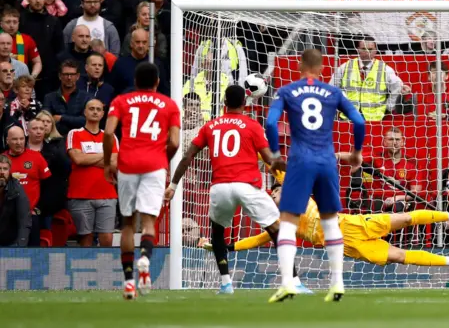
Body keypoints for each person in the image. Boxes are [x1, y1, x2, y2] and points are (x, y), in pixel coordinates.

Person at [165, 85, 309, 295]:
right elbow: (270, 160)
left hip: (220, 187)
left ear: (224, 102)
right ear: (244, 103)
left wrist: (173, 185)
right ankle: (293, 281)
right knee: (277, 230)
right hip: (247, 186)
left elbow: (187, 157)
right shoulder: (252, 125)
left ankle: (225, 284)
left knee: (217, 233)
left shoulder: (210, 126)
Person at [264, 48, 365, 303]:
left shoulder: (287, 91)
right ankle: (337, 283)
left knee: (287, 222)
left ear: (300, 66)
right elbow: (359, 121)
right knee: (330, 222)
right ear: (322, 69)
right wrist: (355, 153)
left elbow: (270, 122)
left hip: (300, 160)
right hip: (327, 161)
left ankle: (288, 282)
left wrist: (276, 154)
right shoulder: (333, 92)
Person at [217, 178, 449, 273]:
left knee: (405, 218)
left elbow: (278, 168)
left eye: (274, 192)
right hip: (346, 245)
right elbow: (260, 240)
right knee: (399, 256)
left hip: (351, 225)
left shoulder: (296, 193)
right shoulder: (278, 223)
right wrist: (230, 246)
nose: (272, 195)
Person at [103, 62, 180, 300]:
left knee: (127, 223)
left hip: (127, 165)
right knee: (149, 222)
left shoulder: (121, 101)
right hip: (154, 166)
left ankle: (128, 282)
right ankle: (145, 258)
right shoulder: (170, 105)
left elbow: (108, 133)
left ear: (135, 82)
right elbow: (175, 142)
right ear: (157, 82)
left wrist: (108, 163)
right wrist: (161, 160)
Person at [68, 99, 118, 247]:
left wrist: (87, 158)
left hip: (107, 194)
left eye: (98, 109)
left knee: (107, 239)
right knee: (85, 240)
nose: (95, 111)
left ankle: (105, 269)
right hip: (81, 195)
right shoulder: (74, 133)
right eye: (91, 109)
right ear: (85, 112)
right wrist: (105, 155)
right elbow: (78, 159)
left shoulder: (111, 137)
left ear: (103, 114)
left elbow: (115, 164)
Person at [0, 154, 31, 247]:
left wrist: (20, 246)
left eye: (5, 169)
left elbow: (24, 220)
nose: (2, 172)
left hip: (10, 241)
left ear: (9, 171)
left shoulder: (16, 189)